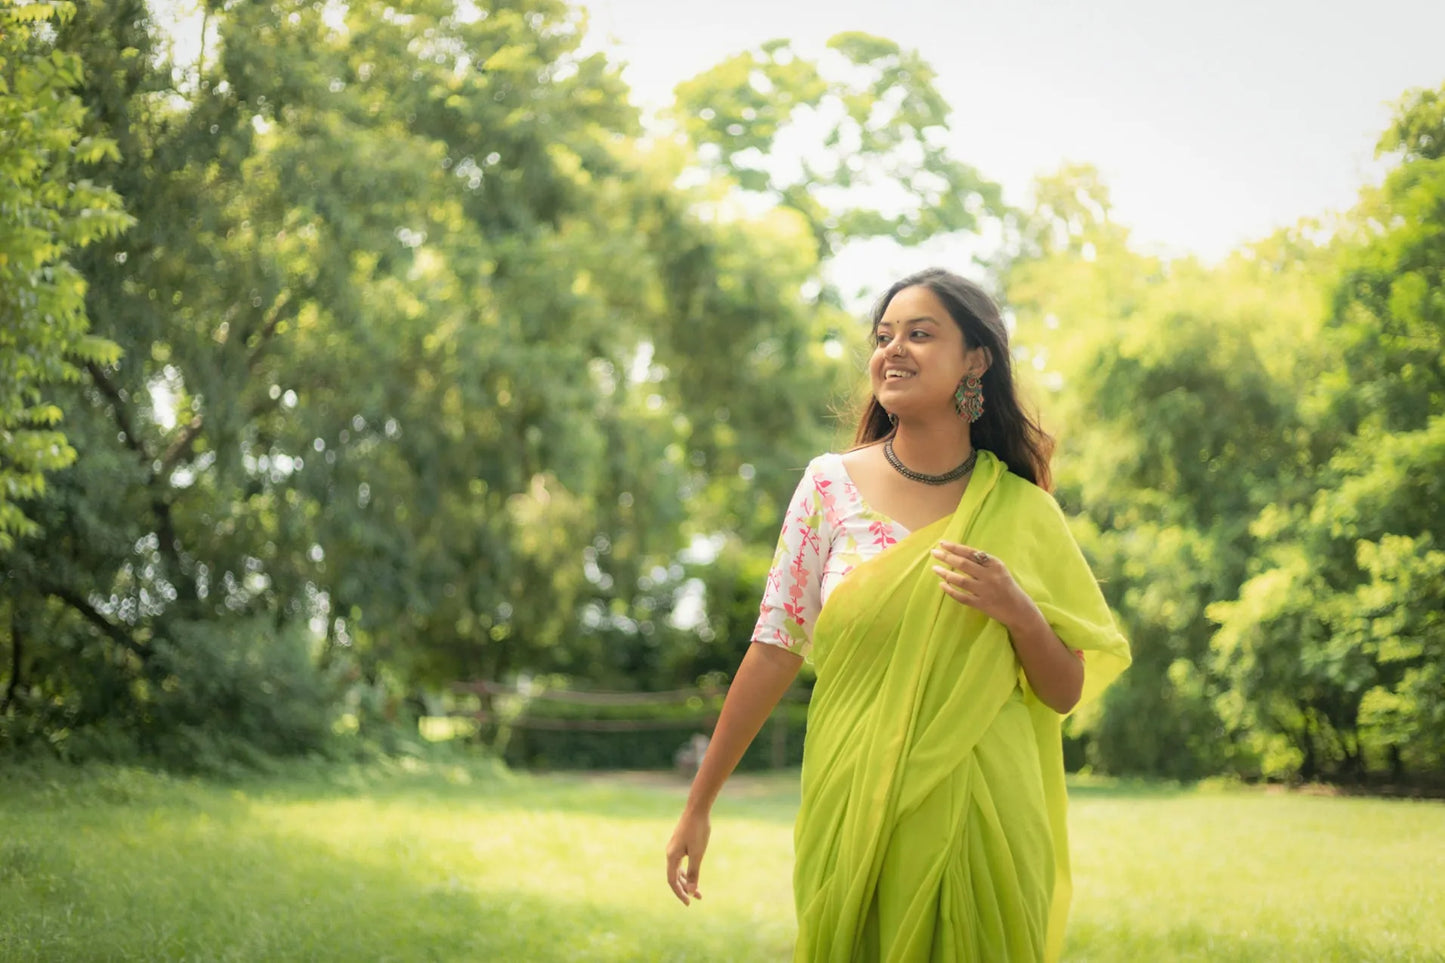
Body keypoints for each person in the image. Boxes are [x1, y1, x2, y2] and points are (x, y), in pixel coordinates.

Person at [664, 267, 1131, 962]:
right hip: (853, 794)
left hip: (984, 811)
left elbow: (1063, 691)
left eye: (919, 333)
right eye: (883, 336)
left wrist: (1018, 611)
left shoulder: (1021, 512)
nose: (892, 350)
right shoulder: (828, 486)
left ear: (975, 359)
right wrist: (699, 802)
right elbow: (774, 647)